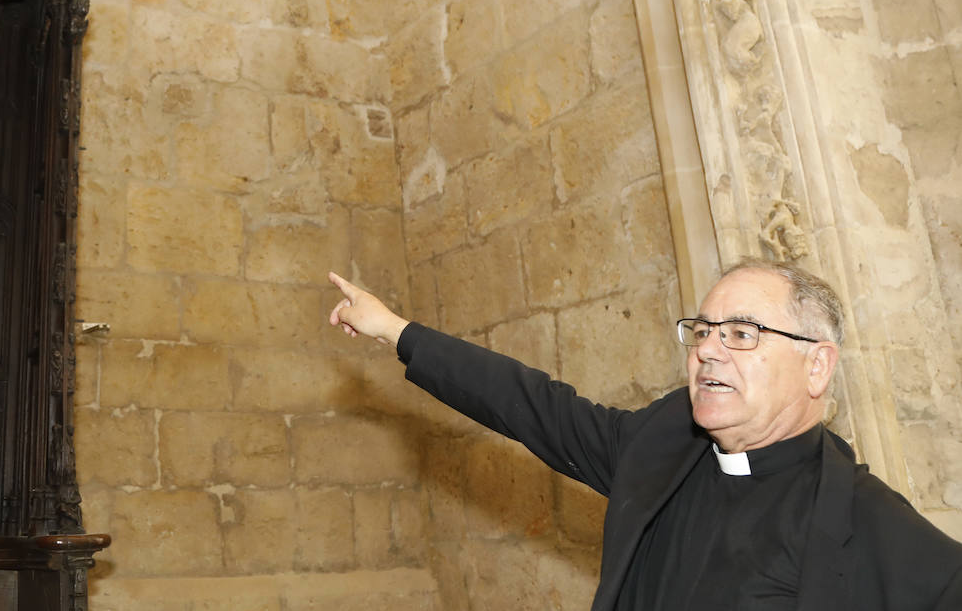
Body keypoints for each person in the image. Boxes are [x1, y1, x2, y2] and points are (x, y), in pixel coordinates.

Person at [327, 260, 962, 610]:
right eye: (703, 330)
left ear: (817, 365)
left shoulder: (872, 525)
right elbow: (532, 406)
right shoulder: (664, 445)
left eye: (742, 334)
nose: (710, 351)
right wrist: (396, 330)